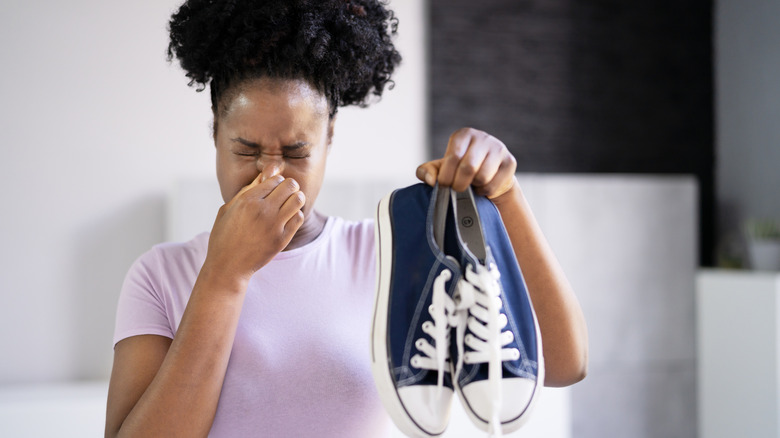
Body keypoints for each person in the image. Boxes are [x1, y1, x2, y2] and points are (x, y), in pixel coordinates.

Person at [105, 0, 588, 436]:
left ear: (329, 138)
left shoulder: (390, 252)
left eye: (296, 151)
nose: (269, 173)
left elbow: (565, 363)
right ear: (215, 133)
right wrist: (224, 275)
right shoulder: (160, 276)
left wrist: (504, 195)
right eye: (246, 149)